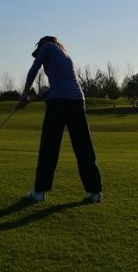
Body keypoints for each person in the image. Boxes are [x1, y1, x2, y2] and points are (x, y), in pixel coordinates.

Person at [17, 36, 103, 203]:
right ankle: (95, 193)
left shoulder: (47, 46)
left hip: (58, 104)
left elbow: (34, 68)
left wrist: (24, 94)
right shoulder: (64, 54)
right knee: (83, 147)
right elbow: (55, 88)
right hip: (77, 102)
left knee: (49, 147)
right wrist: (30, 99)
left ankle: (39, 192)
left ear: (42, 45)